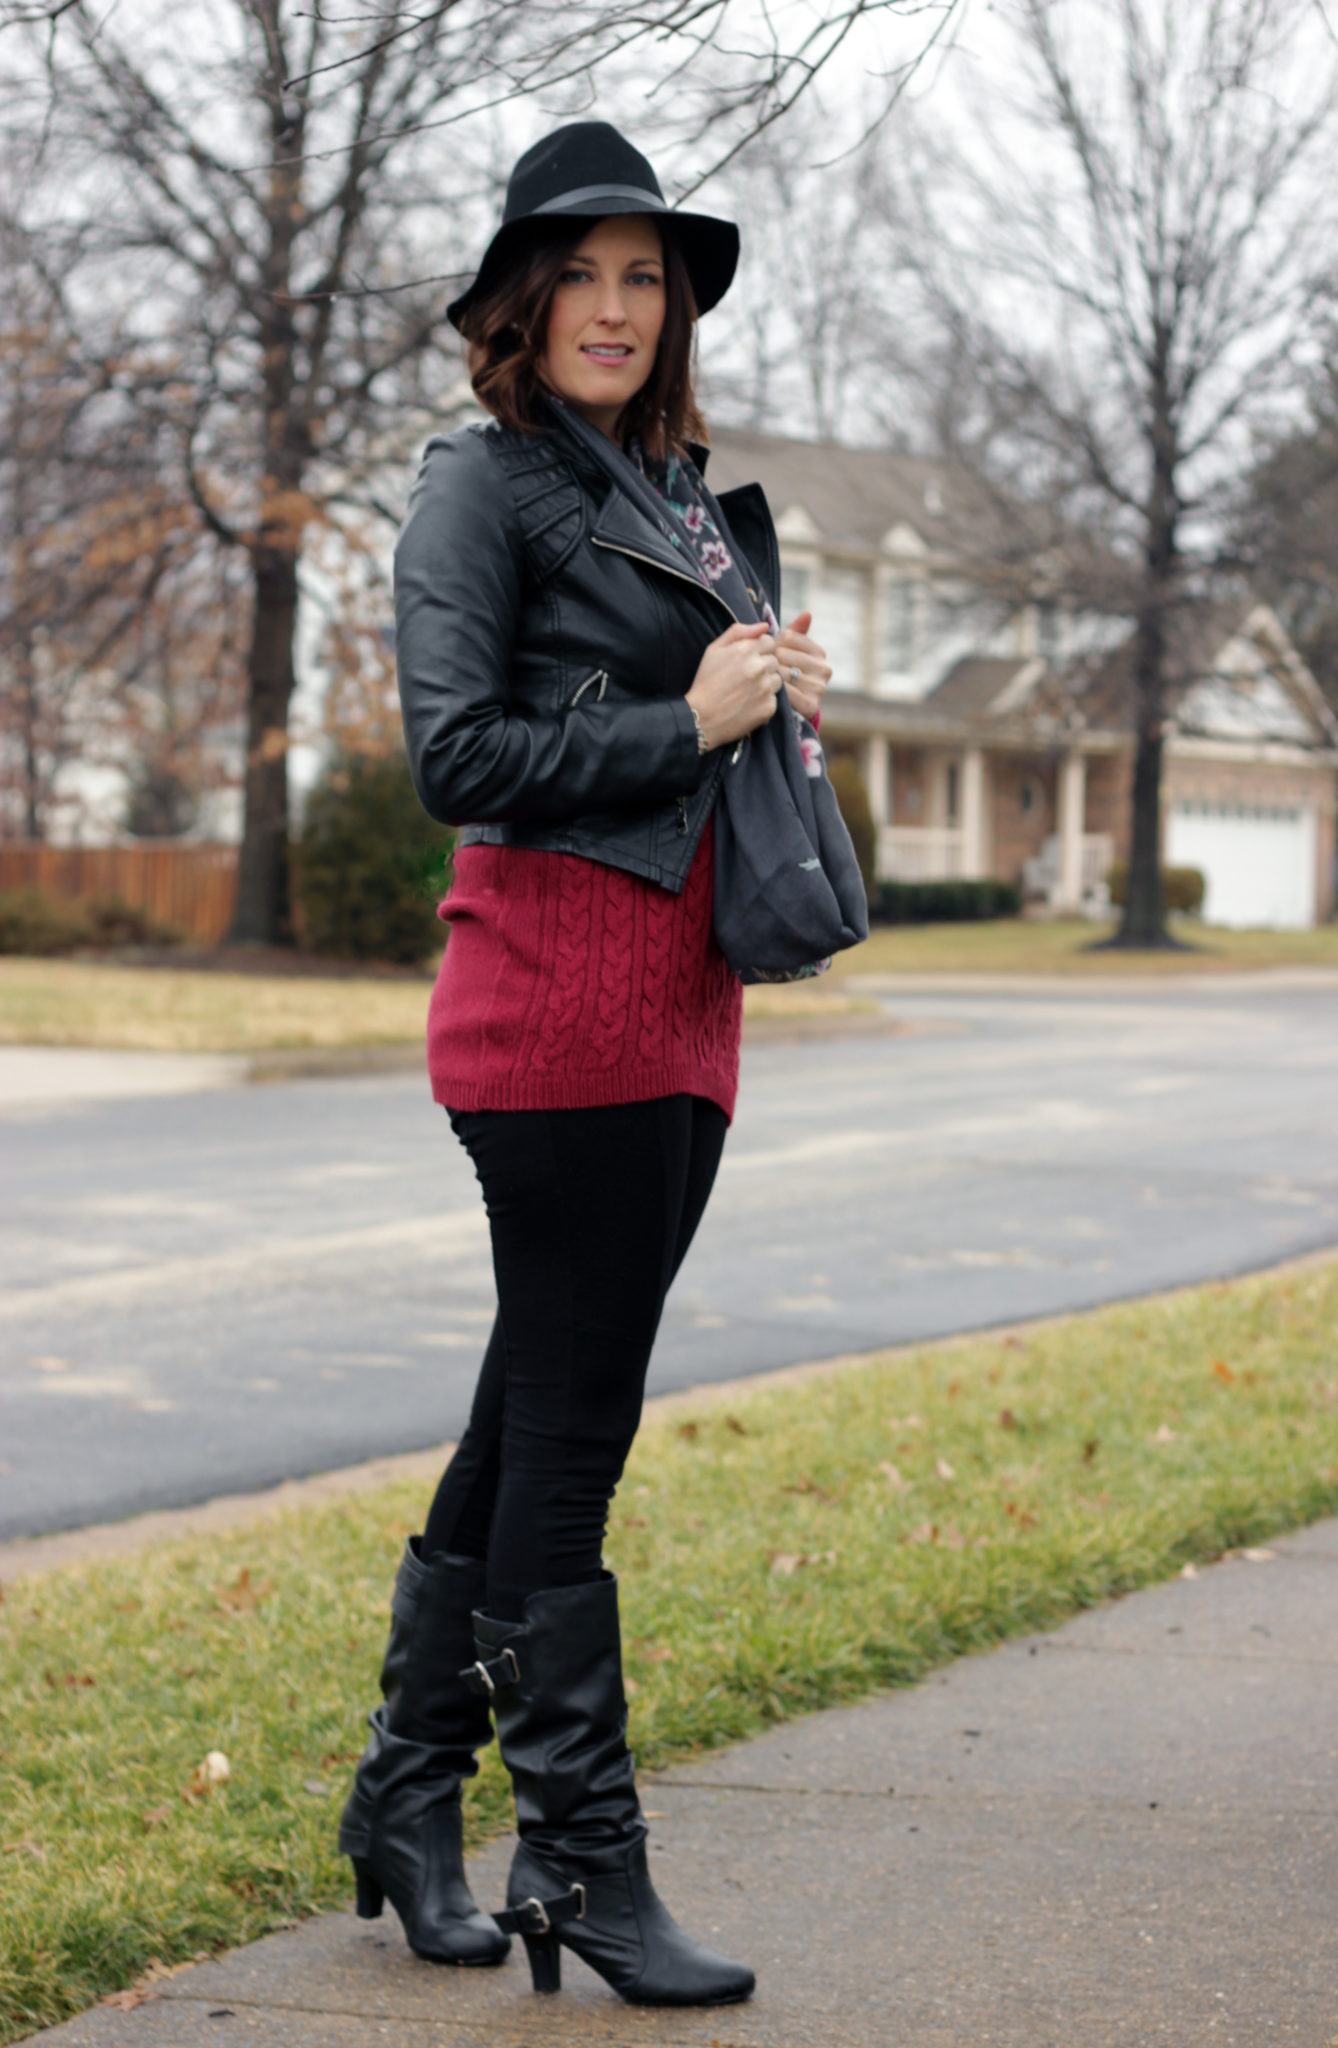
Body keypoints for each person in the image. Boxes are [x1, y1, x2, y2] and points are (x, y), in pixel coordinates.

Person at [338, 119, 831, 2008]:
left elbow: (678, 726)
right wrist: (678, 713)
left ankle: (404, 1794)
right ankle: (584, 1865)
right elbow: (455, 757)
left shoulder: (676, 500)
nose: (616, 306)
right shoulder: (483, 487)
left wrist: (761, 701)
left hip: (677, 1004)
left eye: (648, 277)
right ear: (519, 299)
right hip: (553, 1011)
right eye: (584, 273)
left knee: (524, 1414)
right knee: (571, 1443)